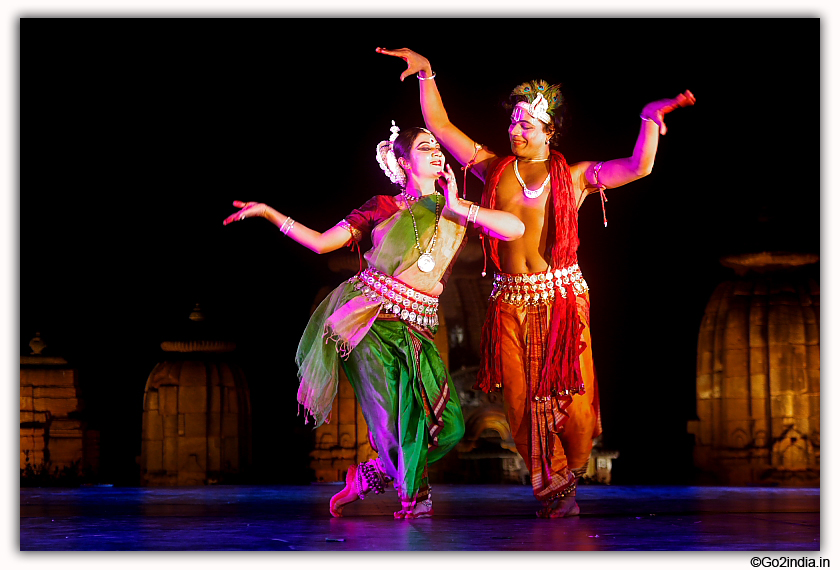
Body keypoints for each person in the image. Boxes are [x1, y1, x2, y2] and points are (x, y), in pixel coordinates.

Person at [377, 46, 695, 518]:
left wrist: (649, 121)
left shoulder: (576, 177)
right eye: (513, 123)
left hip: (563, 300)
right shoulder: (493, 168)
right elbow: (442, 127)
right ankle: (552, 482)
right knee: (521, 404)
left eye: (527, 124)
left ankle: (569, 470)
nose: (515, 131)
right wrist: (427, 74)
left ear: (550, 131)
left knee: (577, 404)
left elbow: (638, 166)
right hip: (510, 303)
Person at [223, 122, 525, 519]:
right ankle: (414, 500)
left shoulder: (457, 208)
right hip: (371, 320)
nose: (436, 152)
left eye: (437, 145)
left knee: (450, 428)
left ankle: (371, 475)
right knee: (409, 417)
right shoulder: (383, 206)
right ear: (403, 161)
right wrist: (268, 213)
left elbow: (515, 228)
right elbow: (320, 243)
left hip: (418, 326)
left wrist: (457, 205)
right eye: (424, 146)